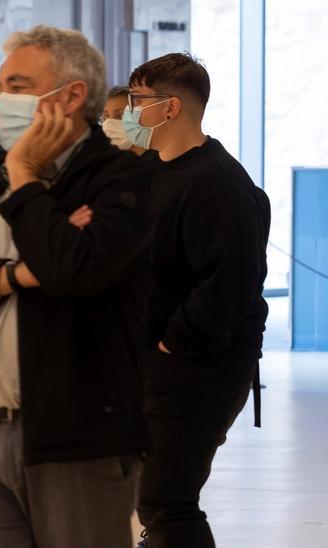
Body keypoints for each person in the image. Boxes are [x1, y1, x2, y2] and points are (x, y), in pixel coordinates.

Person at [0, 25, 154, 548]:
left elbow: (69, 269)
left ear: (71, 95)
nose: (1, 100)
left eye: (17, 85)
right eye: (0, 87)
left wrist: (24, 178)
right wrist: (9, 275)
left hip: (75, 437)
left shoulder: (120, 179)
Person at [122, 53, 270, 548]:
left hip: (199, 366)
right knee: (156, 496)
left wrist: (173, 344)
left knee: (166, 498)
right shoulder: (154, 170)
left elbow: (230, 285)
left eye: (138, 99)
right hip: (160, 362)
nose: (128, 110)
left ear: (171, 108)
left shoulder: (218, 185)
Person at [102, 86, 145, 154]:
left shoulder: (159, 161)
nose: (109, 123)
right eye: (105, 117)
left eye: (119, 116)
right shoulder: (109, 160)